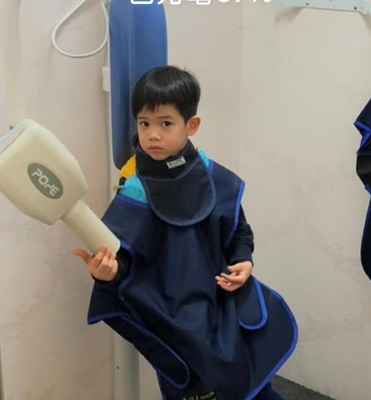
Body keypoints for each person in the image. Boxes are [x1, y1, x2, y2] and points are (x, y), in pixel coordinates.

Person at [73, 66, 296, 400]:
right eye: (144, 123)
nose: (152, 135)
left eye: (165, 124)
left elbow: (239, 231)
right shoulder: (135, 191)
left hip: (224, 300)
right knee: (196, 385)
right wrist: (106, 273)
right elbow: (123, 264)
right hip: (172, 318)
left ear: (191, 125)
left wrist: (243, 261)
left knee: (250, 382)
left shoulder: (214, 177)